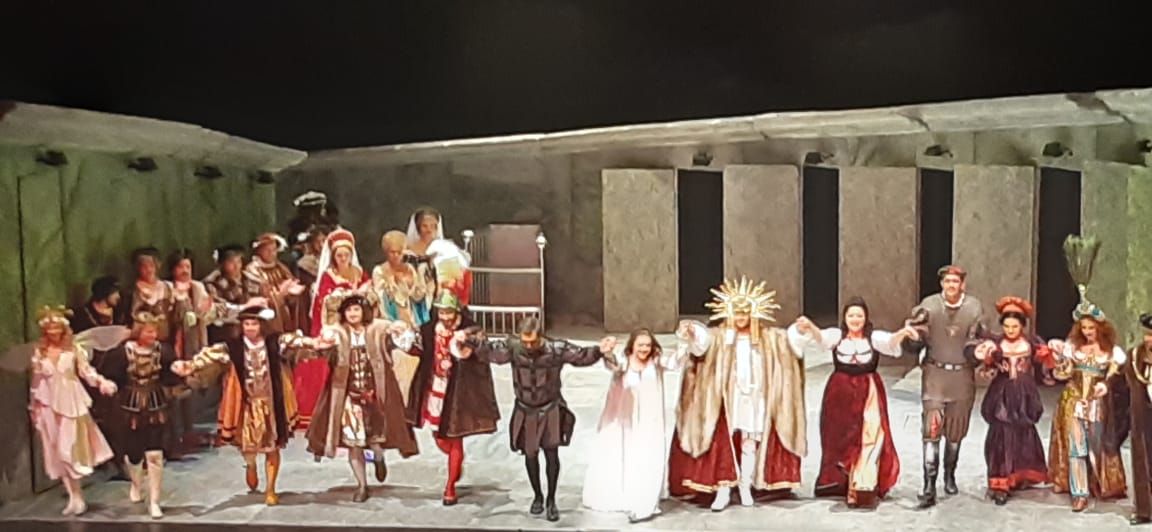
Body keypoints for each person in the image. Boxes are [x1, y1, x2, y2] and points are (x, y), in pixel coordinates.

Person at [667, 276, 807, 511]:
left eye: (745, 313)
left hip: (755, 398)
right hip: (728, 399)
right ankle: (724, 488)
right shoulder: (720, 336)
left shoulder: (768, 338)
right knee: (725, 442)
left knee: (749, 442)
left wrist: (801, 331)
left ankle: (745, 485)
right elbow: (702, 344)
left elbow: (790, 343)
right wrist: (692, 331)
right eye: (737, 313)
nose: (741, 317)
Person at [455, 317, 611, 521]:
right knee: (530, 455)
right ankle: (537, 495)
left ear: (541, 336)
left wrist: (599, 350)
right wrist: (468, 340)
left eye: (533, 342)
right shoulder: (513, 347)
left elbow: (581, 356)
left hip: (549, 407)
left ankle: (551, 499)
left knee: (551, 454)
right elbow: (490, 351)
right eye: (525, 341)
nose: (529, 346)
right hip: (525, 408)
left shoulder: (555, 349)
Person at [173, 306, 319, 505]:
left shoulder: (273, 342)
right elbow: (210, 356)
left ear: (261, 325)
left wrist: (316, 342)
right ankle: (250, 466)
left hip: (271, 404)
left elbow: (294, 341)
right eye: (246, 324)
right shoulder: (233, 347)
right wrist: (191, 365)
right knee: (248, 448)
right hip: (246, 404)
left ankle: (270, 489)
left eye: (254, 324)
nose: (250, 328)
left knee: (272, 447)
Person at [789, 297, 915, 509]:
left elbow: (891, 342)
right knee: (840, 438)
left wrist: (903, 333)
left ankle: (863, 485)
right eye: (851, 315)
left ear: (865, 318)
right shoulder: (837, 337)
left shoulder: (873, 338)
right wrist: (810, 326)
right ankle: (841, 480)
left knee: (871, 434)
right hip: (840, 393)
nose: (855, 319)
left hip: (868, 390)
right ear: (845, 318)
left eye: (859, 315)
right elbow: (821, 339)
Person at [305, 296, 419, 502]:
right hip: (349, 396)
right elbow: (319, 351)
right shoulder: (337, 333)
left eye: (356, 309)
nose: (352, 314)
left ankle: (378, 457)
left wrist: (401, 329)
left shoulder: (378, 329)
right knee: (354, 443)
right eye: (349, 310)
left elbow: (405, 343)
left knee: (375, 440)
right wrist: (320, 344)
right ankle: (362, 485)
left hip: (375, 394)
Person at [902, 264, 987, 508]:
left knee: (955, 432)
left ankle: (950, 474)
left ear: (962, 284)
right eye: (947, 281)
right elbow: (916, 336)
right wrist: (913, 337)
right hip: (935, 376)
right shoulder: (929, 306)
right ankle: (929, 483)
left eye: (955, 281)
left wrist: (980, 353)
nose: (951, 285)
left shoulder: (974, 307)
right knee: (931, 430)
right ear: (942, 283)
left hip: (961, 376)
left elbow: (978, 338)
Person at [404, 291, 500, 505]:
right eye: (442, 312)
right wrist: (405, 339)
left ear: (457, 312)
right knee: (439, 437)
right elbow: (418, 349)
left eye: (449, 312)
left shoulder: (470, 329)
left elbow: (482, 348)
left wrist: (467, 342)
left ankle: (450, 487)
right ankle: (456, 462)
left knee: (454, 436)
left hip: (458, 391)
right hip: (435, 387)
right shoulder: (429, 329)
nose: (446, 317)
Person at [29, 306, 117, 516]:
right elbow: (36, 381)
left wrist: (102, 382)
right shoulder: (40, 352)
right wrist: (34, 407)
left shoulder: (74, 349)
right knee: (57, 451)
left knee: (69, 448)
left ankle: (77, 495)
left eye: (56, 327)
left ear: (63, 329)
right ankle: (73, 496)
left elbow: (86, 372)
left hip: (71, 401)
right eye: (49, 328)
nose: (53, 331)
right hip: (48, 402)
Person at [582, 328, 674, 523]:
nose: (644, 349)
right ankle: (626, 495)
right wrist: (607, 352)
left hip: (650, 422)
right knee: (626, 457)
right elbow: (613, 365)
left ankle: (645, 504)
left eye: (648, 345)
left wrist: (688, 338)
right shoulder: (624, 363)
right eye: (640, 345)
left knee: (648, 459)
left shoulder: (656, 362)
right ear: (632, 346)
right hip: (625, 422)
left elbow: (676, 361)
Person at [968, 297, 1053, 505]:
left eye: (1015, 326)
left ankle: (1020, 474)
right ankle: (1000, 482)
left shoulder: (1031, 343)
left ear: (1022, 325)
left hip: (1024, 393)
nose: (1011, 330)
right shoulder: (996, 344)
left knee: (1023, 431)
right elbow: (986, 368)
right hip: (1002, 393)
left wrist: (1048, 359)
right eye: (1007, 326)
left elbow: (1046, 367)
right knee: (1001, 433)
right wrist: (988, 361)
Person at [101, 311, 185, 519]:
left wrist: (178, 370)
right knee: (134, 454)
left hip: (156, 405)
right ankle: (137, 484)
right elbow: (111, 376)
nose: (153, 335)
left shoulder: (163, 351)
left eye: (155, 331)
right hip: (130, 407)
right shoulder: (121, 353)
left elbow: (170, 375)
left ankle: (154, 501)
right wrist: (108, 384)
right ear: (138, 331)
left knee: (155, 454)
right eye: (148, 331)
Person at [299, 228, 371, 429]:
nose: (343, 259)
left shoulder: (359, 273)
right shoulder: (329, 276)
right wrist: (352, 294)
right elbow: (325, 301)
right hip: (336, 325)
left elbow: (370, 294)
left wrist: (366, 293)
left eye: (346, 255)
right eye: (339, 255)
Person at [373, 230, 432, 404]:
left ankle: (411, 403)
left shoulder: (410, 269)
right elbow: (381, 298)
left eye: (399, 252)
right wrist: (393, 284)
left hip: (412, 322)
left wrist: (416, 282)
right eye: (392, 252)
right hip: (392, 322)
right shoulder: (380, 271)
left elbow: (419, 297)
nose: (396, 256)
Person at [245, 233, 307, 335]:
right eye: (267, 250)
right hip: (267, 310)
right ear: (259, 251)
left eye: (274, 250)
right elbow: (260, 293)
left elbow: (290, 280)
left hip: (286, 306)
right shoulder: (252, 270)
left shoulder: (280, 266)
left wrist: (292, 289)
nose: (272, 253)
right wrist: (280, 295)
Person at [1123, 313, 1152, 524]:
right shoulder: (1135, 356)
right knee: (1142, 460)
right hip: (1143, 415)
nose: (1149, 339)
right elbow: (1120, 383)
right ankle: (1144, 509)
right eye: (1148, 335)